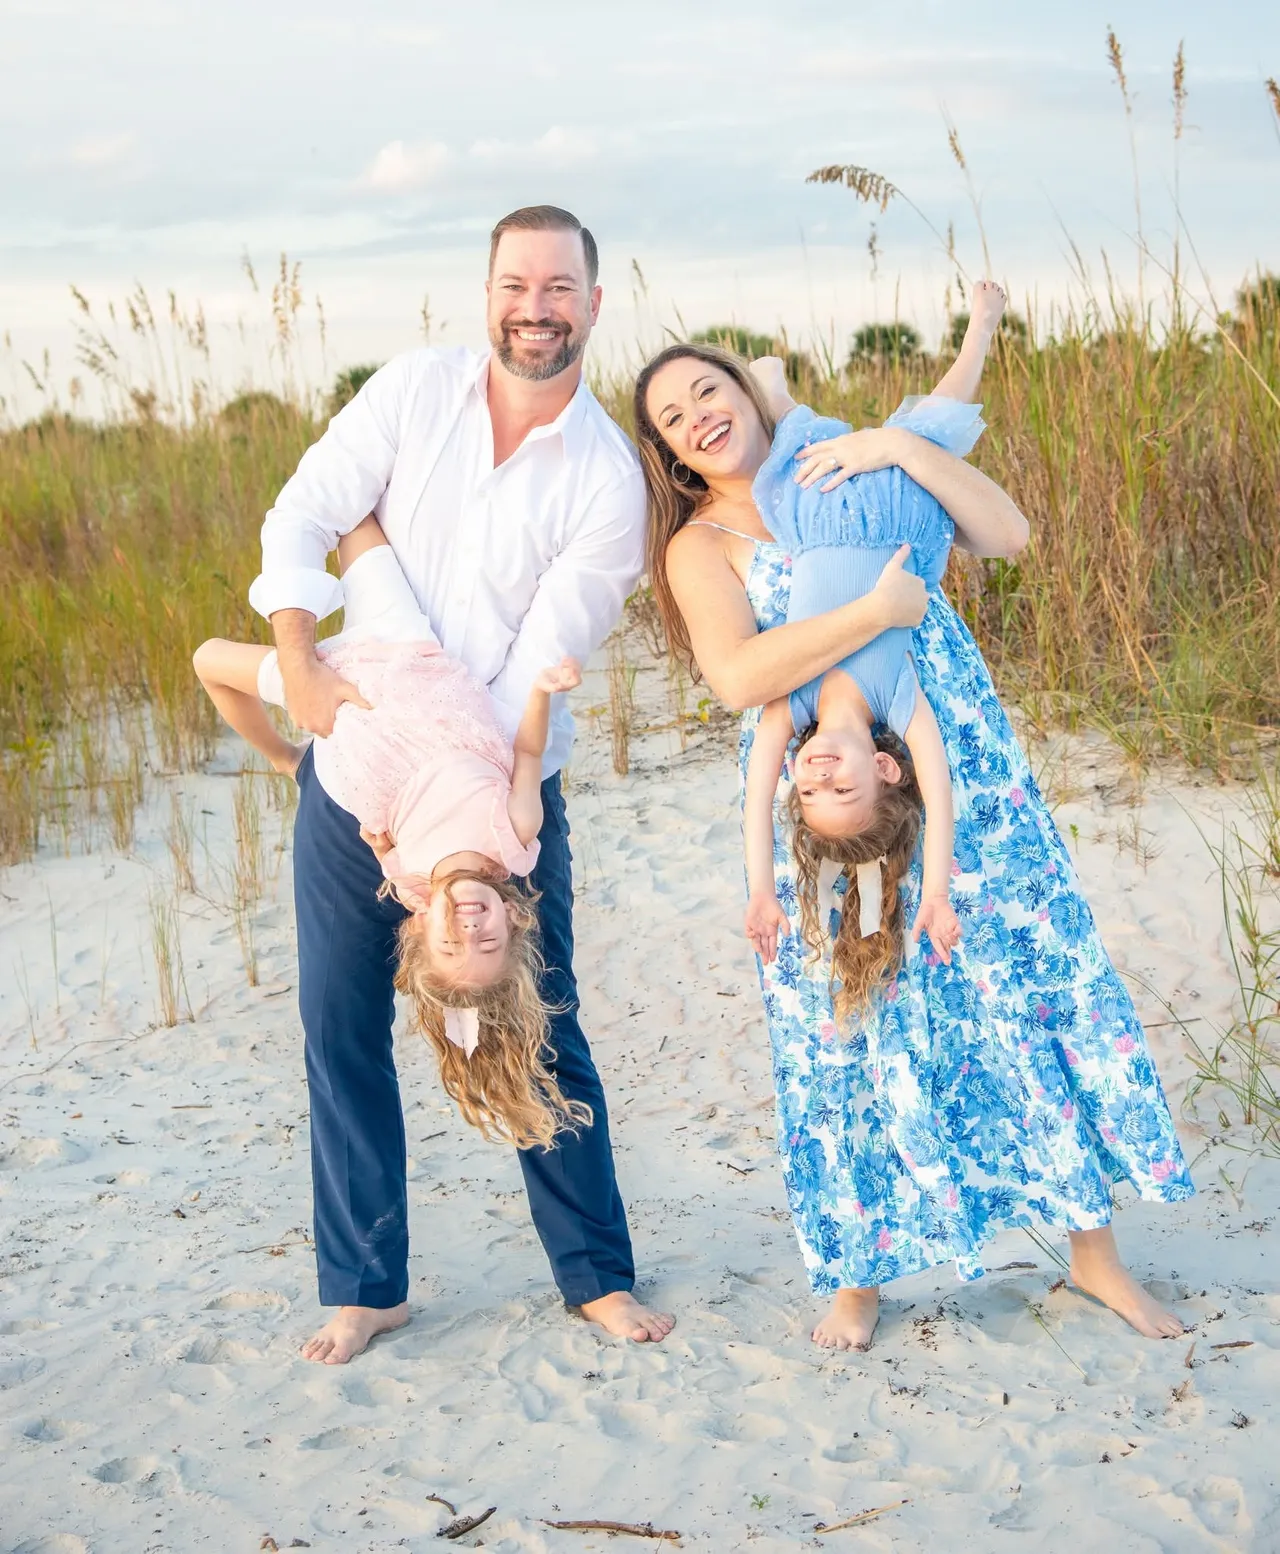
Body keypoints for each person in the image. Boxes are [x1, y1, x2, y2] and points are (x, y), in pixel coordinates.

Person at [634, 281, 1194, 1352]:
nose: (698, 415)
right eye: (672, 418)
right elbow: (738, 677)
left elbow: (1007, 533)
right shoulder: (702, 543)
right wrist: (870, 611)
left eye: (708, 390)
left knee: (1024, 979)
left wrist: (897, 448)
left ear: (745, 389)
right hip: (829, 795)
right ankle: (857, 1276)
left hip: (956, 760)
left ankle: (1093, 1256)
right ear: (668, 454)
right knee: (841, 1025)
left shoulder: (843, 460)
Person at [246, 204, 673, 1363]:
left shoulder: (607, 481)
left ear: (593, 303)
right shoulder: (412, 390)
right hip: (354, 781)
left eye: (558, 288)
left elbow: (533, 668)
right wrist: (297, 659)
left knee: (543, 1020)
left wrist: (376, 600)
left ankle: (594, 1274)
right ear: (485, 294)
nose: (536, 308)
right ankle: (365, 1285)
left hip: (497, 793)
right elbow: (304, 510)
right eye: (516, 285)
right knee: (338, 1025)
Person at [194, 515, 589, 1152]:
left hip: (336, 695)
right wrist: (543, 689)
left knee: (208, 659)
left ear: (420, 928)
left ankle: (277, 756)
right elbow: (528, 752)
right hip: (404, 648)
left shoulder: (409, 884)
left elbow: (383, 844)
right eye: (486, 940)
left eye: (450, 943)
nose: (467, 929)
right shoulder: (514, 833)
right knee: (357, 515)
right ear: (514, 919)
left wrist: (290, 757)